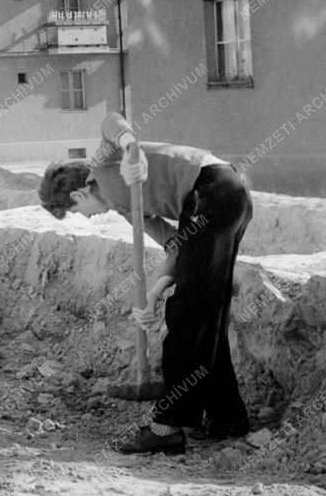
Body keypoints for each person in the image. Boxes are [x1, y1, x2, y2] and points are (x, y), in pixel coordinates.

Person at [38, 111, 253, 455]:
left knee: (185, 318)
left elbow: (112, 121)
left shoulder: (104, 165)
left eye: (78, 212)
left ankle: (166, 427)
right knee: (205, 317)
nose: (88, 218)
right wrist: (152, 294)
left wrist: (131, 149)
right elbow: (178, 246)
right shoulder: (127, 207)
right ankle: (227, 417)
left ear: (78, 196)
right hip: (223, 198)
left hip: (213, 191)